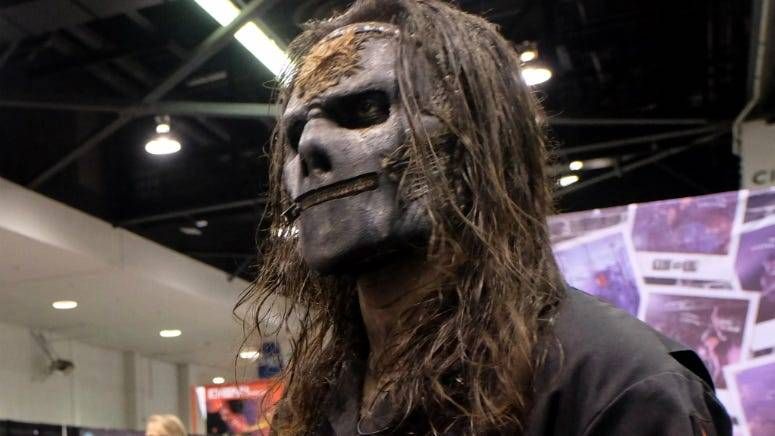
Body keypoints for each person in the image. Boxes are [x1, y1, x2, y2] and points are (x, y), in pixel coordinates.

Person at [240, 0, 732, 434]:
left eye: (367, 109)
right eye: (295, 132)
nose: (310, 147)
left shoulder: (619, 385)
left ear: (472, 140)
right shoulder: (322, 398)